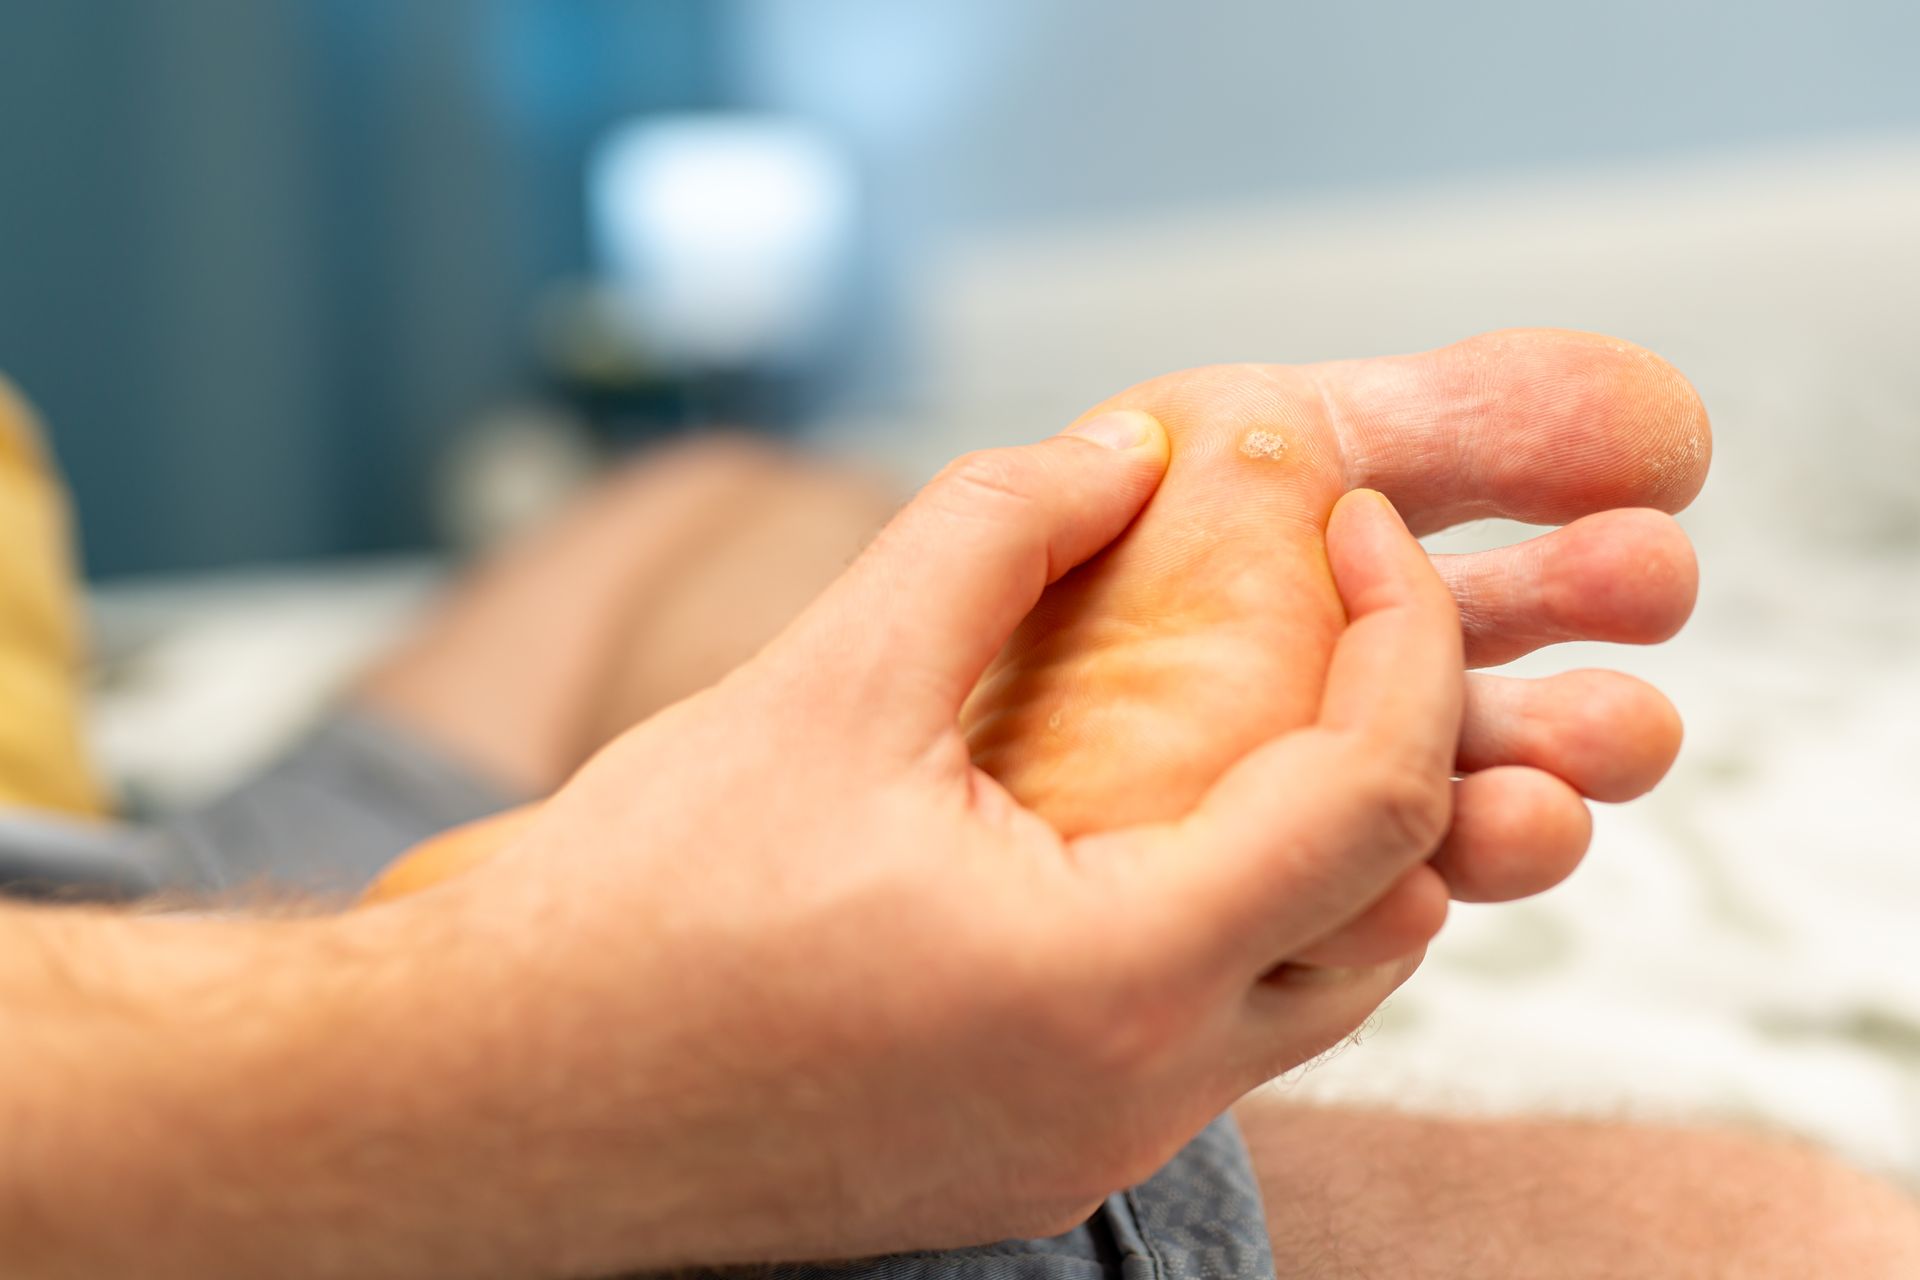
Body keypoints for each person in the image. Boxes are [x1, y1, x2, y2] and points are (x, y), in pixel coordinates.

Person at [1, 332, 1915, 1278]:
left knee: (710, 502)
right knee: (1788, 1240)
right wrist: (523, 1045)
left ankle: (658, 864)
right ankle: (546, 991)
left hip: (104, 856)